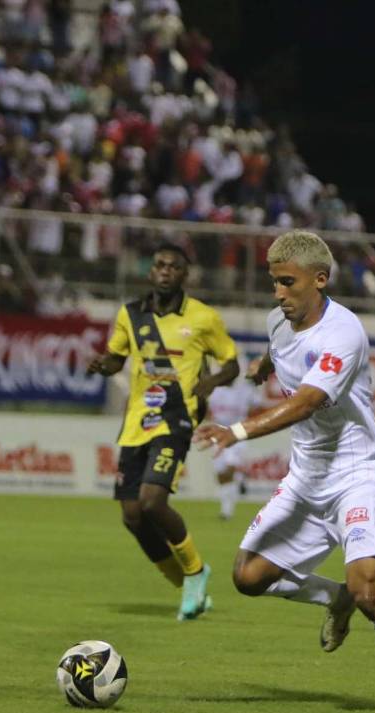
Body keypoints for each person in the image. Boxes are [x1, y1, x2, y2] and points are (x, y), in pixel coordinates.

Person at [193, 230, 375, 713]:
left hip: (356, 475)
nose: (278, 293)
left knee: (371, 590)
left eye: (288, 282)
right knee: (247, 575)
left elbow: (308, 402)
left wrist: (237, 431)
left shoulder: (343, 333)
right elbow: (280, 347)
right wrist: (264, 365)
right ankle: (337, 599)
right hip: (306, 477)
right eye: (274, 282)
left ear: (319, 280)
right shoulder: (278, 320)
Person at [87, 243, 240, 621]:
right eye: (159, 265)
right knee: (133, 516)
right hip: (136, 422)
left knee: (153, 501)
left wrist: (211, 383)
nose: (166, 271)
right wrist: (103, 365)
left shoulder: (203, 318)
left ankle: (194, 572)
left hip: (176, 418)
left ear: (185, 275)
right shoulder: (131, 314)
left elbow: (232, 364)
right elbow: (116, 359)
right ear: (150, 272)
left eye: (174, 266)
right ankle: (189, 584)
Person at [205, 372, 261, 520]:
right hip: (218, 434)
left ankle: (226, 512)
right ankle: (240, 477)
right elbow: (206, 410)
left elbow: (258, 404)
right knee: (221, 475)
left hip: (238, 434)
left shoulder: (245, 390)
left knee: (229, 469)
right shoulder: (214, 391)